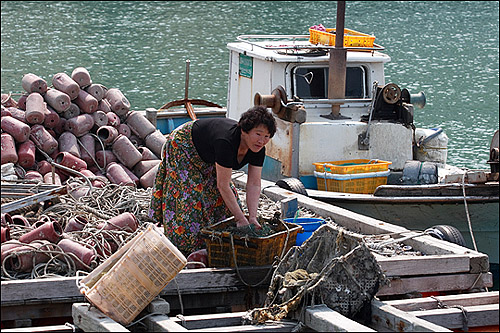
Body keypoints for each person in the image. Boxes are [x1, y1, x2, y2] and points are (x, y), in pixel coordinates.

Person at [149, 105, 277, 256]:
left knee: (224, 203)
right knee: (189, 196)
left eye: (267, 137)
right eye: (258, 134)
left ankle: (213, 239)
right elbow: (223, 185)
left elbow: (254, 184)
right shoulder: (226, 141)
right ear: (244, 130)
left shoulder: (258, 149)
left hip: (209, 154)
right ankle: (185, 247)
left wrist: (252, 217)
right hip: (184, 145)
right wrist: (240, 219)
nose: (262, 141)